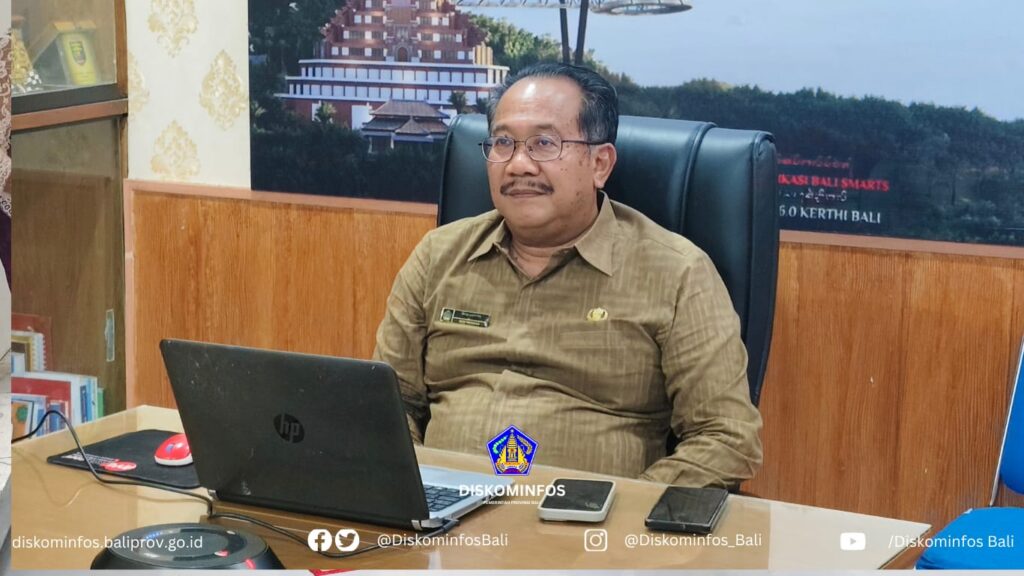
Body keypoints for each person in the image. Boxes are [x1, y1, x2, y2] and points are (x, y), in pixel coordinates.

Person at [373, 62, 762, 488]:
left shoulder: (677, 273)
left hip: (589, 524)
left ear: (600, 163)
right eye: (503, 142)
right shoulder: (438, 256)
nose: (518, 165)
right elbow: (387, 405)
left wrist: (621, 507)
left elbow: (726, 438)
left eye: (544, 143)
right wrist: (409, 491)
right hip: (441, 513)